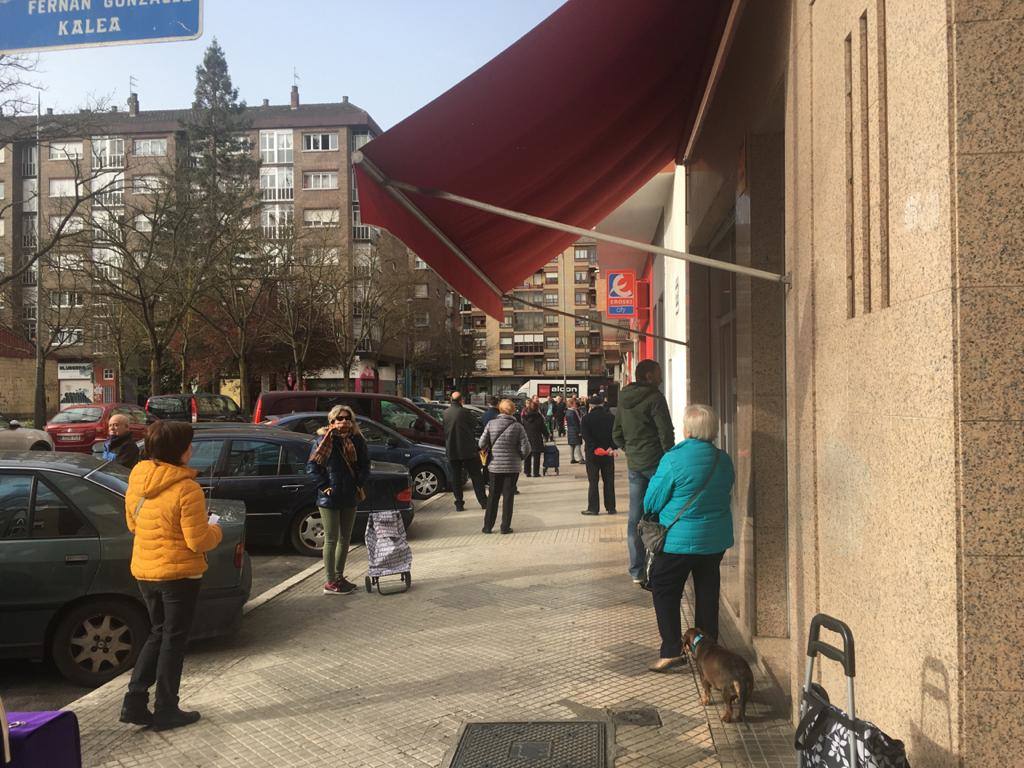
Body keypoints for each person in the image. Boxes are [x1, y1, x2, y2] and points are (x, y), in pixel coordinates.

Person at [120, 420, 222, 731]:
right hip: (178, 574)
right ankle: (166, 707)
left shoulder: (137, 480)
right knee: (173, 640)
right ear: (179, 451)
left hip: (145, 570)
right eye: (189, 444)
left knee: (158, 632)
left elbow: (133, 525)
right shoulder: (186, 489)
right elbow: (197, 541)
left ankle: (134, 701)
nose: (192, 449)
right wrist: (215, 528)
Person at [644, 404, 735, 672]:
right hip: (714, 540)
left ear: (687, 429)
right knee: (707, 593)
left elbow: (652, 500)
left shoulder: (673, 459)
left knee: (665, 589)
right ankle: (708, 654)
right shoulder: (723, 459)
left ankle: (672, 650)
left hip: (677, 541)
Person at [613, 359, 675, 583]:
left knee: (635, 518)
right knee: (664, 514)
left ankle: (636, 571)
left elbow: (616, 434)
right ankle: (661, 566)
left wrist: (631, 451)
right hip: (657, 464)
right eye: (658, 374)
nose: (660, 377)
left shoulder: (623, 399)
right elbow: (666, 433)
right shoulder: (655, 398)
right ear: (648, 376)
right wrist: (671, 459)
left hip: (635, 466)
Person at [308, 405, 370, 595]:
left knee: (345, 539)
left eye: (347, 418)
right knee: (332, 539)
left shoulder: (357, 440)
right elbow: (312, 467)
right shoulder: (323, 441)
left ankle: (339, 576)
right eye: (340, 418)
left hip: (349, 494)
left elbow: (365, 464)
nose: (344, 421)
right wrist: (325, 487)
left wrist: (358, 482)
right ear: (332, 421)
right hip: (330, 498)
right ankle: (330, 582)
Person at [478, 399, 531, 534]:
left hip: (495, 466)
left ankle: (488, 526)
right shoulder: (518, 426)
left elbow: (481, 444)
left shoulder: (491, 424)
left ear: (500, 410)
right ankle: (505, 527)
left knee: (493, 496)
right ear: (513, 410)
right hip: (512, 467)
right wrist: (519, 457)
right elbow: (527, 448)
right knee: (508, 496)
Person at [443, 391, 488, 511]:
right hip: (467, 449)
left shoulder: (445, 413)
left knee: (456, 477)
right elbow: (475, 425)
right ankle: (483, 501)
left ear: (450, 400)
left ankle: (459, 504)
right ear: (461, 400)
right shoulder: (465, 412)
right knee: (476, 475)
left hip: (452, 450)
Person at [580, 394, 617, 515]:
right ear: (602, 404)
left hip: (592, 455)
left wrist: (594, 448)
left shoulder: (586, 419)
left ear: (590, 406)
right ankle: (611, 507)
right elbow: (615, 435)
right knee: (609, 481)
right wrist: (611, 447)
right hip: (608, 453)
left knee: (593, 482)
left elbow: (586, 436)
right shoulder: (611, 417)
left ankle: (593, 508)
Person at [521, 399, 549, 477]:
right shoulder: (538, 417)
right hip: (537, 438)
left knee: (527, 455)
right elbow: (542, 427)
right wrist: (547, 435)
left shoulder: (524, 417)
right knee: (536, 456)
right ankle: (535, 472)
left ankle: (527, 471)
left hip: (527, 437)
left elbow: (522, 427)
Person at [565, 397, 584, 464]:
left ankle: (572, 458)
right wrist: (579, 431)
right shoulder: (572, 412)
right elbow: (575, 423)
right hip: (575, 430)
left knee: (572, 445)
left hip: (570, 430)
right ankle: (580, 458)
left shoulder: (569, 411)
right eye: (575, 403)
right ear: (572, 404)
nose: (576, 404)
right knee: (577, 444)